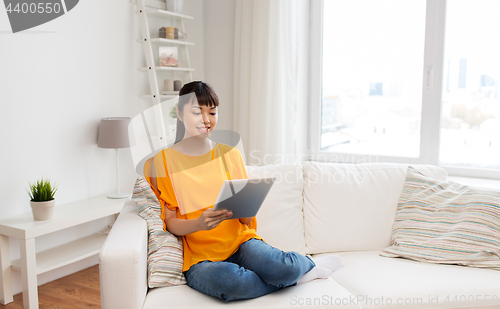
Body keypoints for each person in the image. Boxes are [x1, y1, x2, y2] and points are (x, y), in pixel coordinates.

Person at [143, 81, 343, 302]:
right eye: (196, 112)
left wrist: (246, 207)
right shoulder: (162, 162)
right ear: (179, 114)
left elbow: (247, 219)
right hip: (200, 258)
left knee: (284, 267)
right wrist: (199, 223)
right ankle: (299, 278)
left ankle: (304, 266)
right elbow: (170, 221)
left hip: (240, 242)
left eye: (212, 111)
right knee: (234, 284)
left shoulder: (230, 155)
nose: (206, 119)